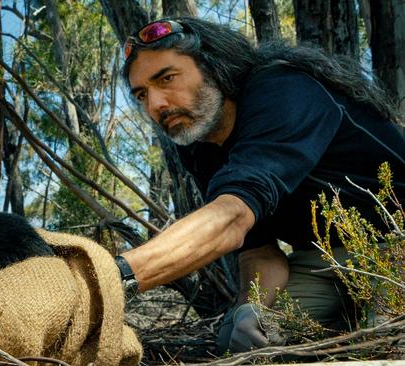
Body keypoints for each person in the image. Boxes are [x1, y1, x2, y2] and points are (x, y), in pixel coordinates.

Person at [114, 17, 405, 354]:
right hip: (321, 261)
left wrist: (112, 275)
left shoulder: (285, 89)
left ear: (215, 67)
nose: (156, 105)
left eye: (167, 78)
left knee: (383, 345)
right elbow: (258, 249)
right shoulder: (200, 148)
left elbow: (233, 217)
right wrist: (251, 308)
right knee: (241, 341)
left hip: (396, 246)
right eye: (141, 95)